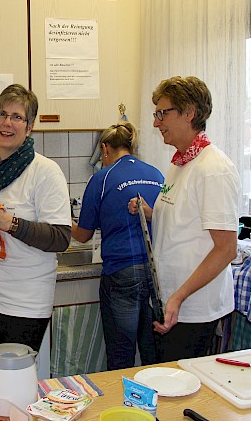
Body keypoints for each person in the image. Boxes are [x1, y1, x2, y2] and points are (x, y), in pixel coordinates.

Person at [128, 76, 240, 362]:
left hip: (194, 307)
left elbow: (226, 249)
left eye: (162, 113)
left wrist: (178, 297)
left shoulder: (213, 168)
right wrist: (148, 211)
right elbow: (183, 221)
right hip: (173, 301)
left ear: (189, 112)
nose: (156, 123)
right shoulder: (180, 162)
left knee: (183, 389)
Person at [0, 84, 72, 354]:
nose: (7, 123)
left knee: (11, 385)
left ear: (30, 126)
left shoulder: (45, 172)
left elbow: (60, 238)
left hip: (23, 305)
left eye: (17, 117)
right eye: (1, 114)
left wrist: (9, 223)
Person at [71, 122, 164, 369]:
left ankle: (121, 405)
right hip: (156, 271)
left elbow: (82, 235)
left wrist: (62, 223)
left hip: (122, 273)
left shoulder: (102, 178)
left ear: (104, 148)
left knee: (121, 352)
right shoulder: (157, 174)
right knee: (151, 350)